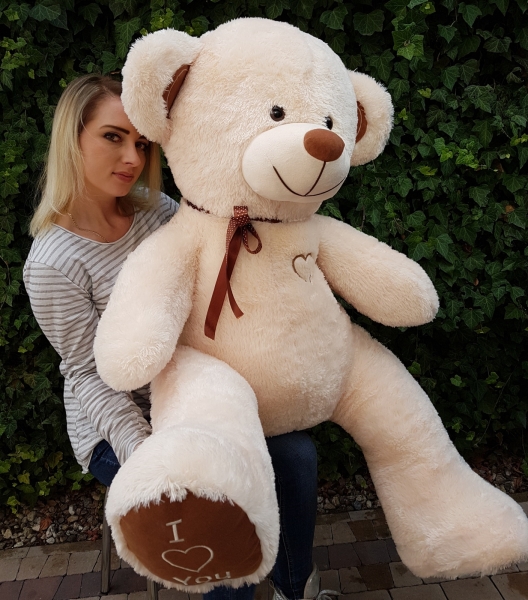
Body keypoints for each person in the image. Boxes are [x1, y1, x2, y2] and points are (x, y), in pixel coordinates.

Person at [23, 74, 320, 600]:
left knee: (296, 456)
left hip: (195, 394)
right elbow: (86, 374)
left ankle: (293, 590)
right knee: (214, 506)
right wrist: (149, 452)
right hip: (118, 422)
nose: (132, 158)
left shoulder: (156, 211)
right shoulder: (53, 263)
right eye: (113, 137)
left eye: (141, 143)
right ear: (73, 139)